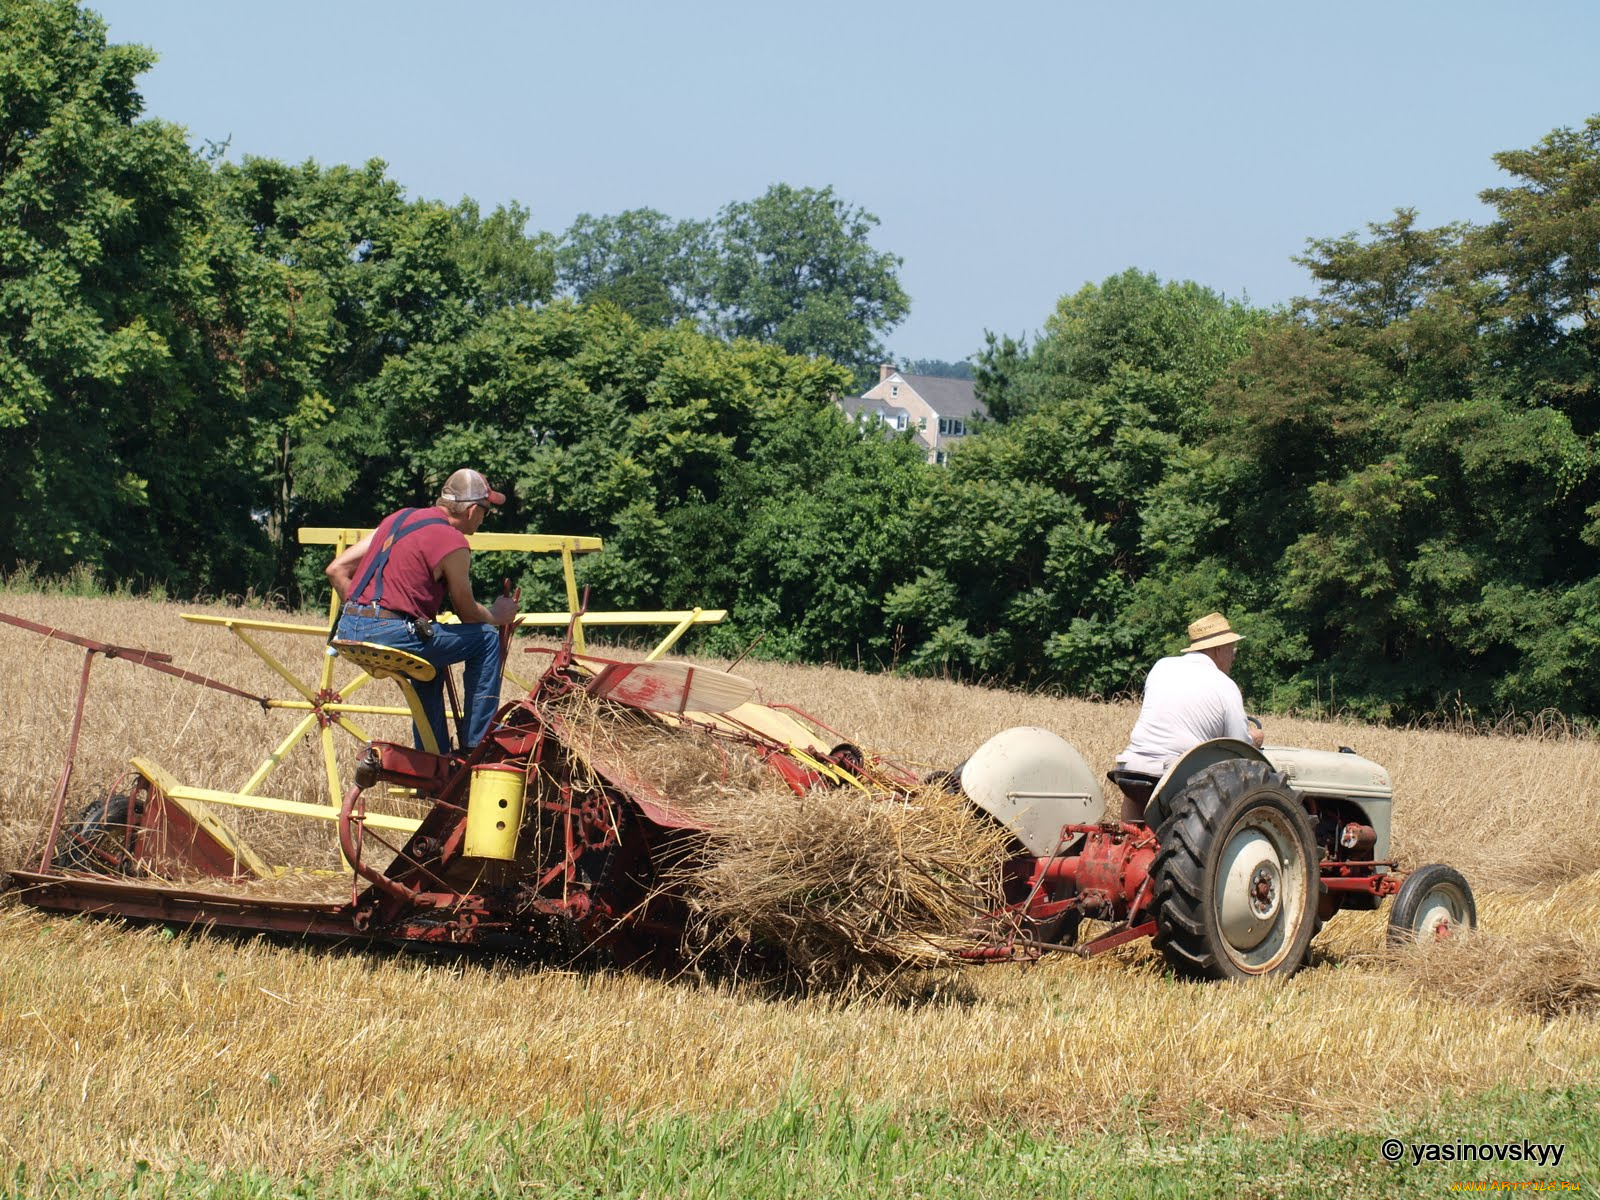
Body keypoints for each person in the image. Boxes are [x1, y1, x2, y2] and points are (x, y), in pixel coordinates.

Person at [326, 468, 519, 752]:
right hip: (391, 632)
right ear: (472, 510)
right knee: (487, 638)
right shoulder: (453, 542)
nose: (483, 518)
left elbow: (336, 569)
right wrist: (499, 615)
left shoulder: (398, 519)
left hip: (347, 629)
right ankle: (479, 742)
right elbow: (468, 613)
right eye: (486, 511)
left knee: (429, 667)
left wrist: (364, 617)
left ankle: (434, 758)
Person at [1112, 612, 1265, 820]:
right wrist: (1253, 740)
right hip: (1175, 778)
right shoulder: (1225, 685)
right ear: (1218, 649)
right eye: (1232, 649)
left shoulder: (1162, 666)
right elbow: (1237, 747)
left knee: (1139, 790)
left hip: (1130, 770)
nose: (1234, 656)